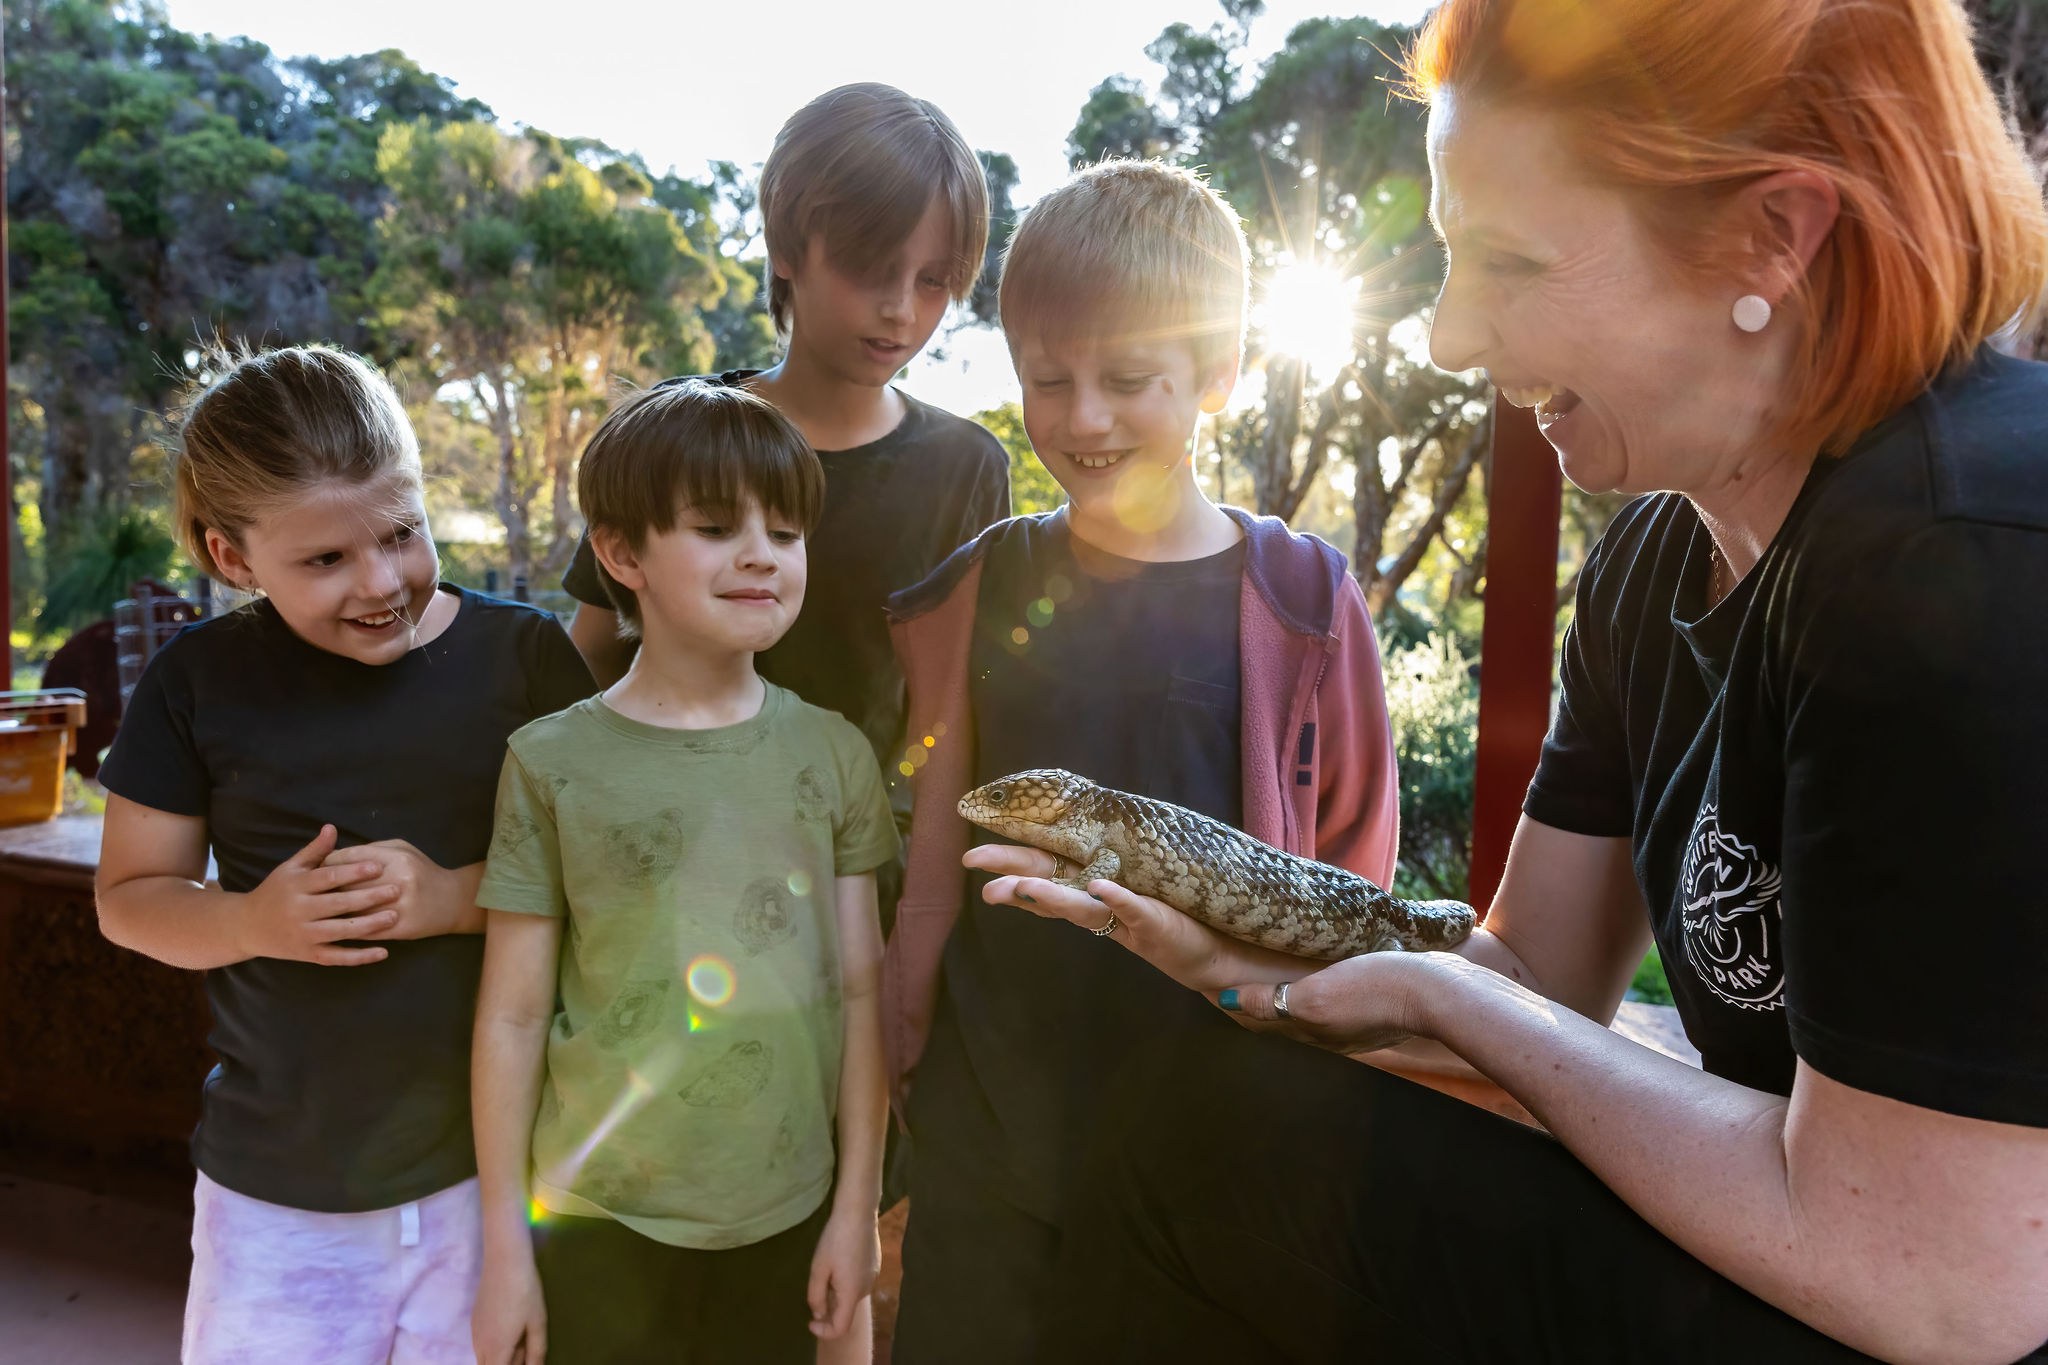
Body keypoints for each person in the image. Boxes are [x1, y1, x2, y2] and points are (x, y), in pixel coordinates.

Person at [974, 1, 2048, 1360]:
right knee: (1204, 1112)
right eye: (1445, 258)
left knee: (1217, 1148)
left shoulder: (1975, 554)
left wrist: (1443, 995)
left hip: (1931, 1312)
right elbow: (1538, 970)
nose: (1446, 337)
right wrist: (1235, 964)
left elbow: (1942, 1288)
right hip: (1827, 1267)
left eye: (1510, 261)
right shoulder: (1659, 556)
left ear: (1775, 233)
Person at [883, 159, 1401, 1363]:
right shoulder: (975, 588)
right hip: (990, 1141)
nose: (1081, 420)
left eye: (1127, 380)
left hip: (1217, 1136)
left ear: (1219, 374)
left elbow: (1351, 868)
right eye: (1048, 380)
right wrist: (900, 1058)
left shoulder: (1303, 597)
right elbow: (927, 856)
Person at [94, 343, 594, 1363]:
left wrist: (454, 897)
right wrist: (247, 921)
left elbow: (611, 882)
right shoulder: (197, 683)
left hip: (490, 1184)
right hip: (275, 1200)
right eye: (324, 561)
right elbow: (129, 898)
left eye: (402, 535)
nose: (380, 584)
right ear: (230, 556)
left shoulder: (526, 659)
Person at [470, 382, 899, 1364]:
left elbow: (863, 991)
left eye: (784, 532)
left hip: (786, 1215)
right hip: (593, 1221)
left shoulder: (832, 758)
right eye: (714, 527)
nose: (760, 553)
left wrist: (855, 1210)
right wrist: (506, 1251)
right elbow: (512, 1016)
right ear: (623, 555)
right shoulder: (548, 762)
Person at [560, 83, 1010, 792]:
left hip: (867, 874)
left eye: (932, 280)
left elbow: (960, 702)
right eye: (871, 266)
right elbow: (589, 661)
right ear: (785, 247)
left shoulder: (967, 466)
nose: (900, 309)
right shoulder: (672, 431)